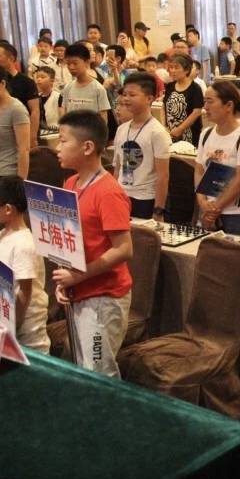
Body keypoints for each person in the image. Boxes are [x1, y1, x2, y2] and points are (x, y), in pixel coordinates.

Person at [51, 112, 133, 376]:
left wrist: (77, 276)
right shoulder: (70, 183)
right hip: (80, 291)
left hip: (103, 297)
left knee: (99, 373)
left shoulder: (108, 191)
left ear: (87, 147)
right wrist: (65, 282)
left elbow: (124, 249)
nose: (57, 147)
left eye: (63, 141)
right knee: (82, 369)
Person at [0, 177, 49, 352]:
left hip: (26, 327)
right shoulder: (1, 235)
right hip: (5, 315)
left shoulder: (24, 244)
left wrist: (12, 326)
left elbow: (25, 291)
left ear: (8, 209)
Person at [196, 81, 240, 237]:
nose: (205, 107)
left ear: (228, 105)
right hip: (206, 210)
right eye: (205, 101)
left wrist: (215, 209)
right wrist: (203, 203)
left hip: (236, 216)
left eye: (210, 101)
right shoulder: (206, 134)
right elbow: (199, 172)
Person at [112, 72, 171, 221]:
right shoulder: (121, 129)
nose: (126, 99)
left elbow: (163, 175)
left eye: (132, 95)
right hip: (122, 196)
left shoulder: (157, 132)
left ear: (149, 99)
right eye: (125, 94)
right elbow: (118, 168)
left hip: (145, 199)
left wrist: (158, 210)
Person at [57, 43, 110, 123]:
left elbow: (103, 119)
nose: (71, 67)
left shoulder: (98, 89)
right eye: (68, 63)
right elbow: (66, 113)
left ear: (87, 62)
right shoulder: (68, 87)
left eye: (75, 63)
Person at [162, 53, 204, 146]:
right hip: (170, 133)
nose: (172, 70)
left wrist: (179, 129)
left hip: (190, 134)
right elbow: (163, 107)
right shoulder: (170, 86)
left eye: (176, 67)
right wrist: (163, 126)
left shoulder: (195, 88)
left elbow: (196, 112)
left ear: (187, 70)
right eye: (171, 67)